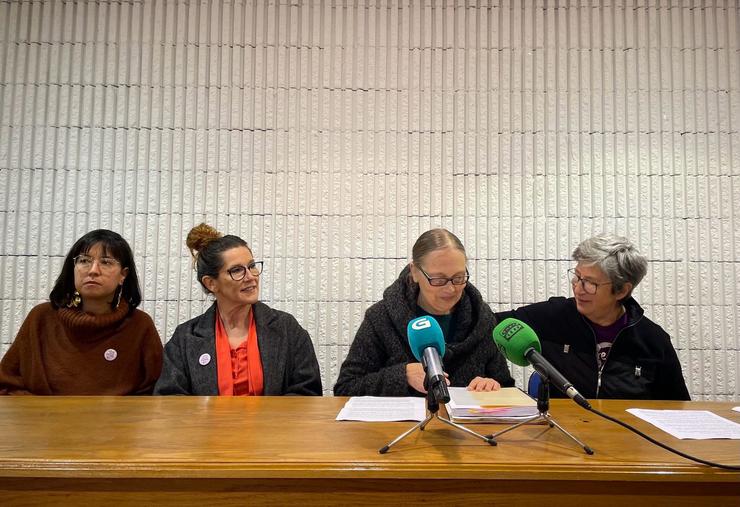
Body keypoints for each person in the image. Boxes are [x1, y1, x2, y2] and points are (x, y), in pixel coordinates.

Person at [496, 233, 690, 400]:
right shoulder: (555, 316)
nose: (578, 288)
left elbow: (677, 408)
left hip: (626, 438)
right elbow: (488, 324)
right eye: (577, 276)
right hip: (560, 436)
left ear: (621, 290)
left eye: (589, 283)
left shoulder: (653, 341)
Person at [334, 228, 514, 397]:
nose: (451, 289)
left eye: (459, 278)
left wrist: (491, 386)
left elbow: (505, 386)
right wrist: (402, 375)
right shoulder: (381, 317)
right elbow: (346, 387)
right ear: (415, 272)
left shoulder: (482, 319)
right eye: (438, 279)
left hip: (466, 429)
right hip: (401, 428)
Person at [154, 224, 322, 395]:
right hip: (209, 423)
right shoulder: (185, 338)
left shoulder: (287, 328)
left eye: (252, 266)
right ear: (211, 283)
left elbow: (307, 392)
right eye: (237, 270)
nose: (250, 277)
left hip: (271, 422)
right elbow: (169, 399)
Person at [0, 229, 163, 395]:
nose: (93, 270)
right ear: (73, 268)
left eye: (106, 262)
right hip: (45, 419)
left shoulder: (139, 325)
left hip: (117, 421)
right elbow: (6, 383)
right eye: (84, 260)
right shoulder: (41, 318)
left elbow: (156, 392)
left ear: (123, 275)